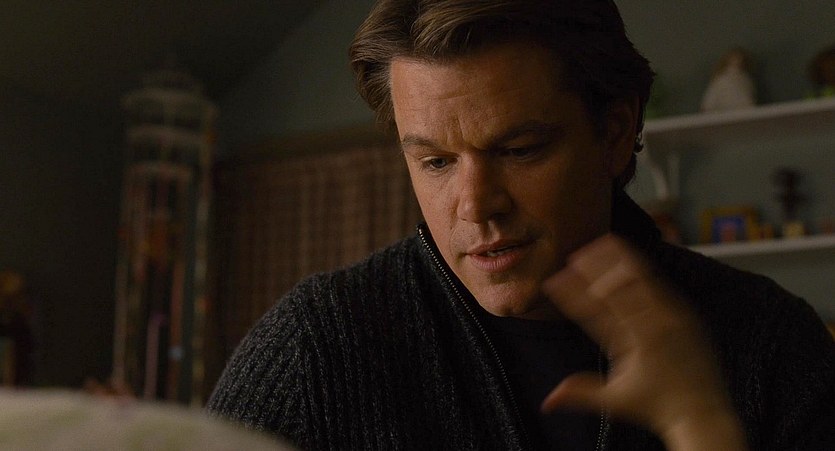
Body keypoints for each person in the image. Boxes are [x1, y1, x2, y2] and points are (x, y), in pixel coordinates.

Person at [207, 1, 835, 449]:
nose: (475, 206)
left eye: (519, 149)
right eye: (436, 162)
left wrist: (701, 427)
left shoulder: (771, 343)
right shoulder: (314, 348)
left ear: (615, 134)